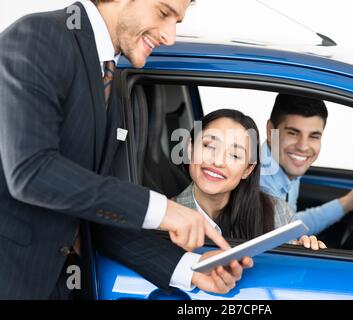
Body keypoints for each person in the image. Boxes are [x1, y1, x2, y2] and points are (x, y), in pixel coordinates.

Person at [0, 0, 251, 299]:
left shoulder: (111, 79)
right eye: (163, 12)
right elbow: (31, 171)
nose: (169, 36)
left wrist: (189, 268)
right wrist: (162, 210)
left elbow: (95, 212)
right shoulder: (39, 36)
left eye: (177, 21)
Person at [174, 109, 327, 250]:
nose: (218, 161)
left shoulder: (277, 213)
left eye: (234, 155)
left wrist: (301, 252)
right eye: (209, 146)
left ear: (247, 170)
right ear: (190, 149)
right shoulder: (164, 218)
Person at [260, 93, 353, 236]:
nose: (303, 147)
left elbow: (289, 225)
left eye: (314, 136)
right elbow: (283, 238)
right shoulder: (259, 187)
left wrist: (347, 203)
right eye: (293, 133)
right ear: (270, 131)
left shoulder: (284, 167)